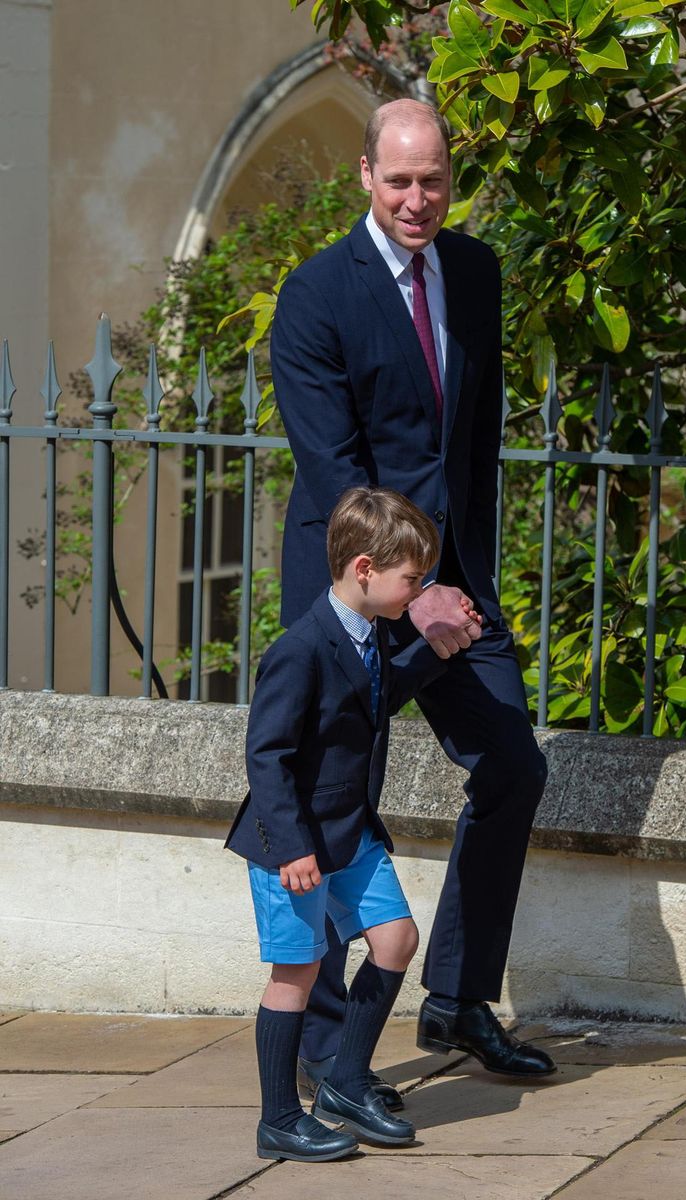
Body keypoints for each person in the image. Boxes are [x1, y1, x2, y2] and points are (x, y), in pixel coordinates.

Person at [270, 98, 555, 1100]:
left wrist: (461, 582)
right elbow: (339, 475)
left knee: (515, 765)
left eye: (432, 179)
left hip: (452, 594)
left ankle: (460, 1001)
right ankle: (329, 1043)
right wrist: (414, 590)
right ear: (364, 176)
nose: (417, 199)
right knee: (342, 802)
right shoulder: (314, 298)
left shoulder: (475, 274)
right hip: (352, 596)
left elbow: (470, 443)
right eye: (398, 180)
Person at [226, 486, 462, 1162]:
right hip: (295, 845)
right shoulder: (300, 649)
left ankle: (348, 1083)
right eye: (411, 579)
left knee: (395, 939)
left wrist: (436, 646)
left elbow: (371, 700)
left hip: (350, 832)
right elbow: (265, 756)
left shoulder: (372, 637)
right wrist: (291, 848)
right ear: (365, 569)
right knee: (295, 974)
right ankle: (279, 1119)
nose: (418, 590)